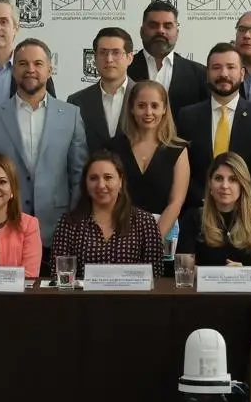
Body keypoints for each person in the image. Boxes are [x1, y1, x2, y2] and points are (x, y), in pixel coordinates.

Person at [0, 39, 86, 273]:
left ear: (50, 69)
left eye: (38, 63)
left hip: (58, 230)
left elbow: (79, 174)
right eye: (23, 64)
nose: (31, 70)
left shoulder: (70, 114)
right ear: (13, 69)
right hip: (7, 226)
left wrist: (73, 221)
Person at [174, 42, 251, 208]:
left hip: (247, 210)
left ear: (242, 73)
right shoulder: (188, 116)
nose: (224, 74)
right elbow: (184, 167)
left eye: (231, 67)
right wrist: (206, 199)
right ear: (207, 74)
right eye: (216, 67)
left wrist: (237, 198)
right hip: (199, 211)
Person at [50, 151, 166, 277]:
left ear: (120, 181)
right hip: (82, 296)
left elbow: (156, 276)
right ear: (85, 184)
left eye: (108, 177)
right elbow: (59, 276)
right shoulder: (69, 223)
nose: (101, 185)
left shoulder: (145, 222)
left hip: (131, 296)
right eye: (93, 178)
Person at [177, 152, 251, 277]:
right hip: (205, 294)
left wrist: (245, 273)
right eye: (218, 178)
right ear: (210, 183)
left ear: (242, 185)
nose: (224, 186)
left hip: (250, 294)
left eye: (233, 180)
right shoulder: (193, 217)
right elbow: (183, 266)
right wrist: (223, 274)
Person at [107, 80, 189, 238]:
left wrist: (153, 240)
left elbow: (176, 202)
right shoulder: (113, 148)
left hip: (162, 237)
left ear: (164, 109)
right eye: (141, 106)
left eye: (155, 106)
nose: (148, 112)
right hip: (118, 235)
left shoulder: (178, 150)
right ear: (131, 108)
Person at [127, 1, 208, 114]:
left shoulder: (200, 74)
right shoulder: (124, 70)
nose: (161, 30)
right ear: (141, 31)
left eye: (167, 26)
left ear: (177, 32)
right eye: (153, 25)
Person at [67, 26, 135, 153]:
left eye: (116, 53)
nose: (109, 59)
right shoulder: (76, 102)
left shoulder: (145, 97)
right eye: (103, 53)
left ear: (130, 58)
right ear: (95, 58)